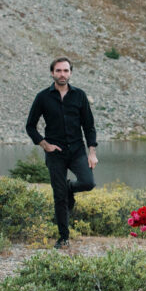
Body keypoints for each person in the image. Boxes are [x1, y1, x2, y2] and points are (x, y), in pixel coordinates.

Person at [26, 57, 98, 249]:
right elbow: (30, 126)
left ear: (70, 73)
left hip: (77, 150)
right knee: (59, 197)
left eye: (66, 71)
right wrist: (44, 145)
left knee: (88, 182)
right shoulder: (43, 97)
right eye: (58, 71)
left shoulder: (79, 96)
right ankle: (64, 238)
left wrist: (92, 152)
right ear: (52, 73)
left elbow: (89, 126)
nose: (62, 74)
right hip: (55, 153)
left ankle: (69, 187)